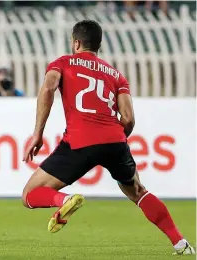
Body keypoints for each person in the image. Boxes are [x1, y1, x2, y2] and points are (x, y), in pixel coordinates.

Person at [22, 20, 194, 256]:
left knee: (30, 194)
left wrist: (37, 134)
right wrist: (116, 143)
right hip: (115, 140)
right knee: (139, 191)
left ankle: (65, 200)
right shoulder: (116, 75)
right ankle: (180, 243)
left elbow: (48, 89)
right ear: (98, 45)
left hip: (79, 141)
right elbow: (128, 118)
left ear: (76, 43)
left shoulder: (62, 63)